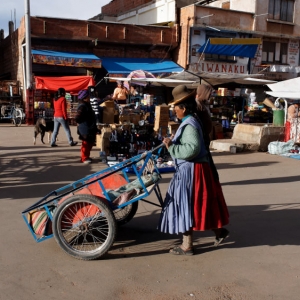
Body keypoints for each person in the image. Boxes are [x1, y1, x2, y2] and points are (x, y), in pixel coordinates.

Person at [158, 85, 229, 255]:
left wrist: (172, 148)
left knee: (186, 206)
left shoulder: (189, 124)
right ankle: (218, 232)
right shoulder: (192, 120)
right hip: (196, 169)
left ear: (183, 108)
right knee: (196, 206)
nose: (175, 112)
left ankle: (187, 245)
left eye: (176, 109)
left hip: (192, 171)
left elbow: (192, 149)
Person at [75, 89, 98, 164]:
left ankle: (87, 156)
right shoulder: (82, 106)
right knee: (86, 144)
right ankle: (84, 158)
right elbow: (77, 118)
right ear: (85, 97)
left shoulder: (86, 104)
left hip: (89, 127)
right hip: (85, 128)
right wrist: (83, 121)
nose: (89, 98)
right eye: (88, 96)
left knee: (90, 143)